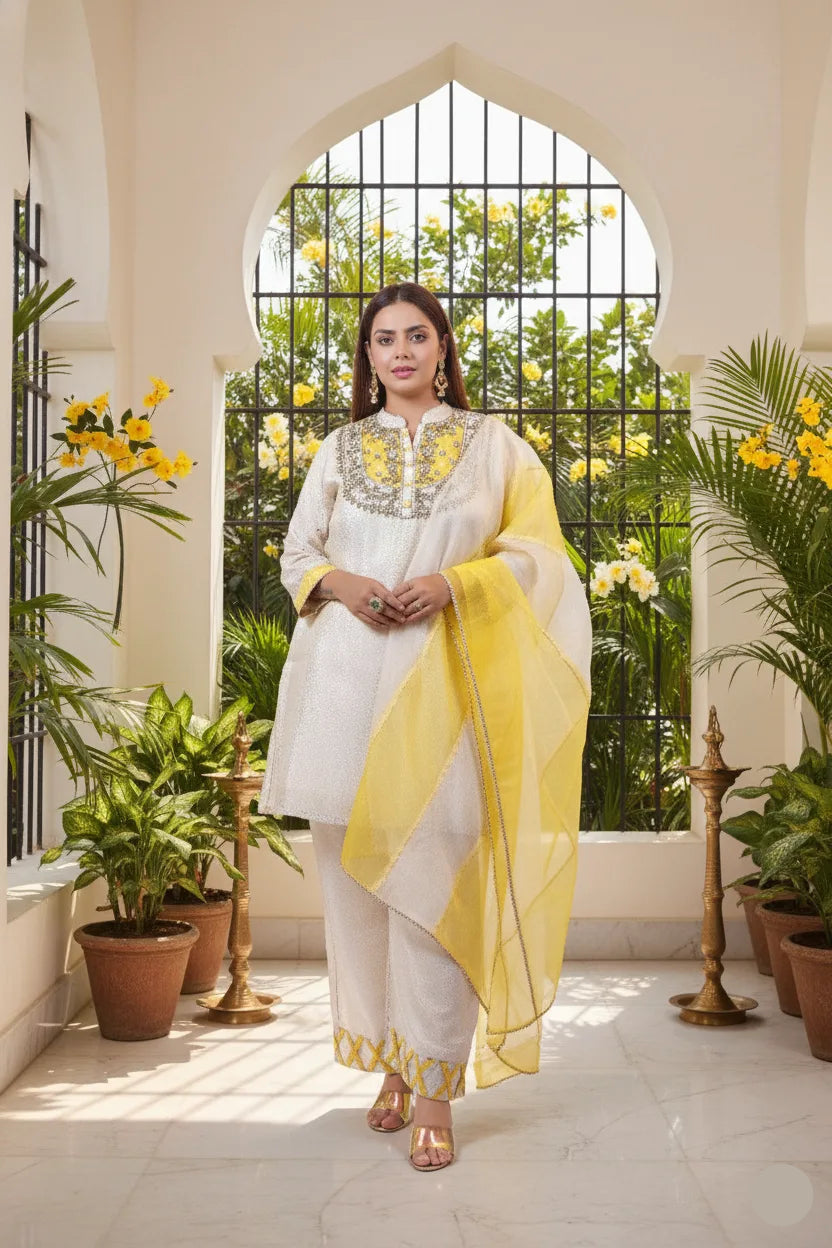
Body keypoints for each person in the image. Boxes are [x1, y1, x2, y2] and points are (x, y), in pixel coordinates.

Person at [258, 281, 591, 1171]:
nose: (400, 351)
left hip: (444, 695)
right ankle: (389, 1065)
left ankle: (436, 1083)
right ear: (366, 358)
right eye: (382, 340)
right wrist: (340, 584)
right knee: (354, 893)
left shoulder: (497, 449)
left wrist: (454, 583)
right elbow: (298, 553)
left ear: (443, 347)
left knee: (432, 881)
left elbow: (540, 558)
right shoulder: (337, 449)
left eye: (416, 335)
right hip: (341, 690)